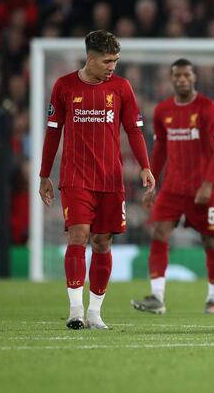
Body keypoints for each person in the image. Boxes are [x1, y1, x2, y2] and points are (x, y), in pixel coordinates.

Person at [39, 30, 155, 330]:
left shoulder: (121, 87)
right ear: (89, 59)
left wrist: (145, 166)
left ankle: (95, 313)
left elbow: (134, 130)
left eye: (115, 60)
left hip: (111, 179)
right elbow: (53, 132)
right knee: (78, 235)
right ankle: (76, 310)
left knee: (103, 242)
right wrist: (44, 174)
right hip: (75, 178)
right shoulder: (64, 86)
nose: (112, 67)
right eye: (107, 61)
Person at [131, 59, 214, 315]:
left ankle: (213, 297)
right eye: (177, 75)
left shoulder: (208, 108)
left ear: (194, 77)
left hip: (202, 190)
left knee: (210, 241)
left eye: (186, 75)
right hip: (172, 188)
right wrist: (152, 181)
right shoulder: (163, 110)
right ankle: (157, 297)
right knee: (159, 233)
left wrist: (208, 183)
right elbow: (161, 149)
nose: (182, 79)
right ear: (171, 78)